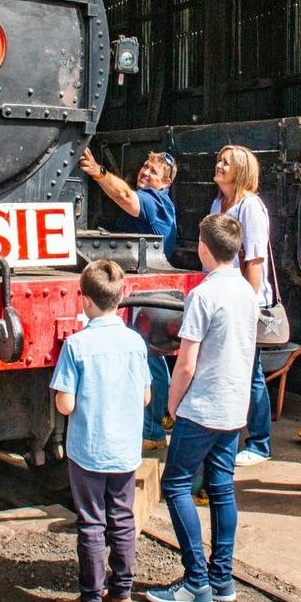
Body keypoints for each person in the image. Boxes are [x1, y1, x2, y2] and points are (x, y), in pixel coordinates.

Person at [145, 214, 258, 602]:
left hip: (201, 407)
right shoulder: (247, 292)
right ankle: (221, 578)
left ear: (203, 248)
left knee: (176, 485)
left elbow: (186, 363)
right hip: (232, 407)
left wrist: (172, 405)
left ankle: (195, 582)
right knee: (222, 488)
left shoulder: (203, 295)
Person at [50, 260, 152, 602]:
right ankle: (122, 596)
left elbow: (66, 404)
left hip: (89, 451)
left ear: (85, 301)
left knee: (92, 523)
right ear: (121, 296)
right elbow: (144, 397)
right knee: (122, 520)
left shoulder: (77, 345)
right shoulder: (135, 342)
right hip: (124, 451)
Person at [78, 147, 177, 451]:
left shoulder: (156, 201)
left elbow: (125, 197)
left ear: (166, 183)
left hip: (148, 291)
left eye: (154, 171)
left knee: (151, 360)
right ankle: (159, 420)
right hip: (143, 289)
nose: (145, 173)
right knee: (153, 358)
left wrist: (97, 171)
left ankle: (152, 431)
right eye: (145, 167)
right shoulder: (153, 200)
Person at [212, 145, 274, 467]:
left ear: (242, 171)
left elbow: (255, 259)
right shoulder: (218, 203)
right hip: (222, 297)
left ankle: (261, 443)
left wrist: (247, 305)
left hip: (245, 300)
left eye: (227, 162)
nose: (219, 165)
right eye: (220, 160)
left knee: (251, 374)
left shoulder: (250, 207)